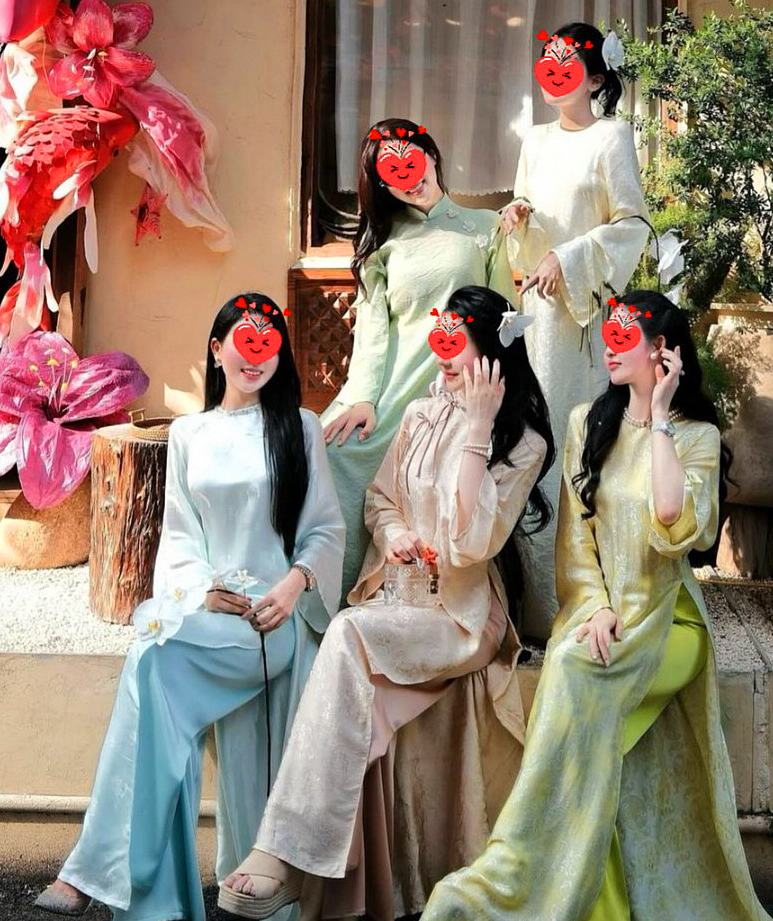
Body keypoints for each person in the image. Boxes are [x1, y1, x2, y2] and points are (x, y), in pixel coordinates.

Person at [422, 290, 773, 921]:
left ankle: (518, 874)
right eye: (608, 334)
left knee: (576, 673)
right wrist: (593, 608)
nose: (609, 348)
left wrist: (659, 417)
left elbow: (674, 523)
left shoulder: (696, 436)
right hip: (599, 615)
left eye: (624, 338)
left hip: (669, 622)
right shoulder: (587, 421)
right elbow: (576, 541)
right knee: (590, 733)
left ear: (662, 350)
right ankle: (593, 903)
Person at [221, 285, 553, 921]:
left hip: (458, 618)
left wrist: (478, 429)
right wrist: (396, 532)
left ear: (492, 354)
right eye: (441, 338)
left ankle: (283, 853)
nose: (444, 355)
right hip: (398, 599)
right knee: (346, 648)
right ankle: (315, 869)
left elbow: (469, 543)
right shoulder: (422, 413)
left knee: (347, 633)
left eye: (458, 343)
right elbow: (380, 497)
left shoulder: (524, 443)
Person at [34, 292, 345, 921]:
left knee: (150, 656)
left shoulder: (300, 427)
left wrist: (292, 587)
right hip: (208, 617)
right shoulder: (189, 434)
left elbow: (324, 530)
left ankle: (96, 871)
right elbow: (178, 539)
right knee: (154, 673)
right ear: (217, 348)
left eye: (268, 343)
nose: (255, 356)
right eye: (244, 342)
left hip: (271, 623)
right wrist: (201, 592)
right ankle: (155, 899)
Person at [322, 118, 517, 599]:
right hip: (391, 389)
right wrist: (363, 398)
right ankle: (333, 601)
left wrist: (494, 396)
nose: (407, 177)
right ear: (382, 185)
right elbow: (373, 332)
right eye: (391, 173)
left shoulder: (486, 228)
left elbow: (503, 320)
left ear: (430, 155)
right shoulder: (382, 244)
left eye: (411, 160)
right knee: (333, 453)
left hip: (458, 392)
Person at [502, 21, 650, 638]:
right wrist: (517, 218)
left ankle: (587, 602)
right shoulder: (534, 140)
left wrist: (569, 257)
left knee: (579, 442)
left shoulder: (613, 137)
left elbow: (633, 224)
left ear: (594, 79)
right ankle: (534, 607)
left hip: (586, 322)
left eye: (569, 66)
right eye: (548, 64)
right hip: (537, 316)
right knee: (531, 443)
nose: (555, 75)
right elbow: (526, 230)